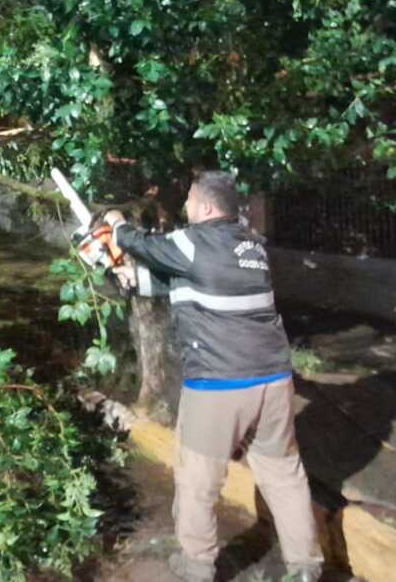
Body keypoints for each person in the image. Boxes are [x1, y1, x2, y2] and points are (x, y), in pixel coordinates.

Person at [100, 171, 324, 582]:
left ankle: (196, 567)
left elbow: (141, 244)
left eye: (188, 200)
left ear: (204, 206)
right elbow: (192, 282)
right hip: (273, 382)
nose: (185, 206)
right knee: (285, 476)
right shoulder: (251, 248)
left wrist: (115, 224)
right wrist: (132, 280)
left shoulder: (193, 241)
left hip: (220, 386)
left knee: (196, 482)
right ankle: (306, 567)